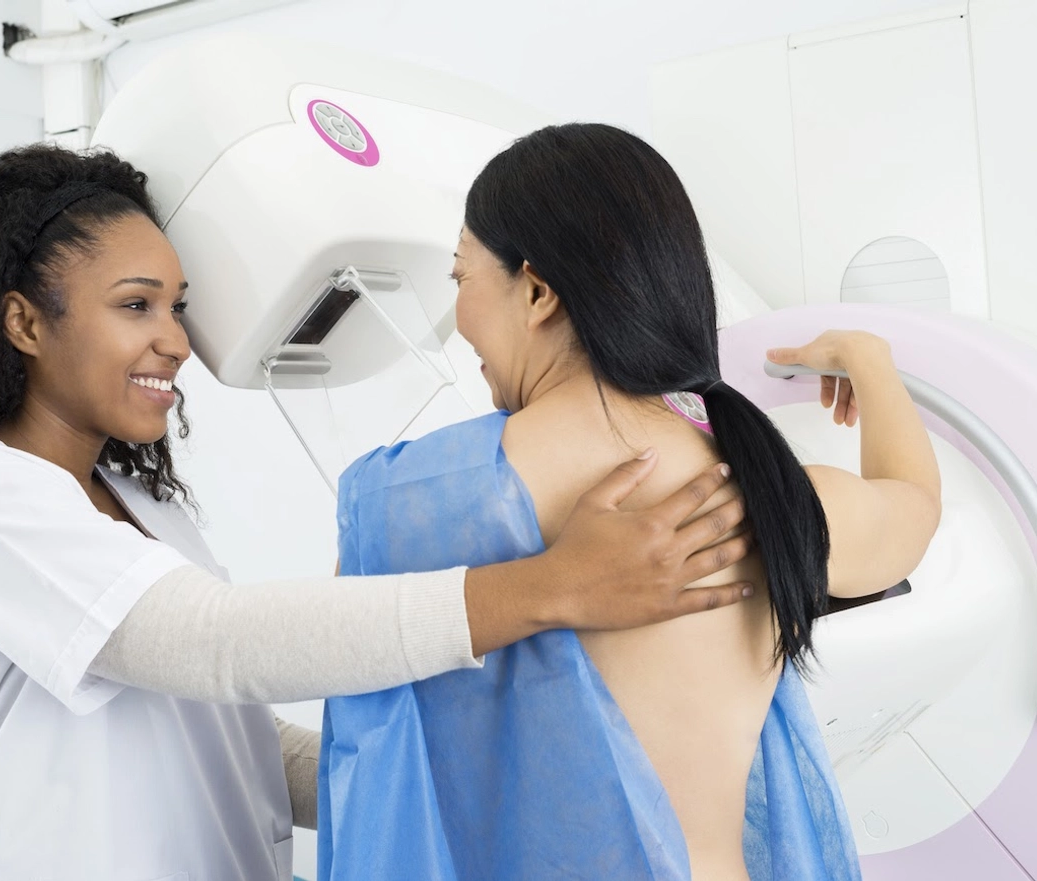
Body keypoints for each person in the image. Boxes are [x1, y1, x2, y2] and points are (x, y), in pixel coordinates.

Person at [0, 144, 756, 881]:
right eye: (136, 305)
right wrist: (554, 587)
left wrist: (466, 775)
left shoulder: (141, 503)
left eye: (178, 306)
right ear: (25, 322)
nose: (177, 340)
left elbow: (237, 743)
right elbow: (212, 644)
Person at [317, 124, 941, 881]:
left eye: (461, 278)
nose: (459, 322)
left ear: (537, 290)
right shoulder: (760, 482)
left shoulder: (423, 499)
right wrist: (870, 362)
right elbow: (911, 508)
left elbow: (361, 712)